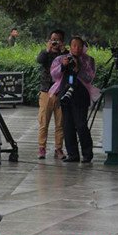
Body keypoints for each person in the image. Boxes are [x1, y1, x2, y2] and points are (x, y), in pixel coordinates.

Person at [50, 37, 98, 163]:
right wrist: (63, 65)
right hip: (65, 95)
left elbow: (89, 78)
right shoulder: (61, 58)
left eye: (79, 46)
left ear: (83, 47)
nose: (77, 48)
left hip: (81, 96)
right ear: (70, 46)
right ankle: (73, 154)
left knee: (81, 125)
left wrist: (78, 68)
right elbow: (54, 75)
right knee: (68, 126)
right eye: (74, 45)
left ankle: (87, 154)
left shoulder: (88, 60)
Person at [36, 30, 67, 160]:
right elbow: (39, 60)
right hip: (46, 92)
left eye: (57, 39)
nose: (55, 42)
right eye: (53, 39)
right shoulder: (45, 53)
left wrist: (64, 51)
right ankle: (41, 148)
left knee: (60, 124)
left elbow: (71, 66)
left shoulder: (65, 55)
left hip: (60, 93)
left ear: (62, 42)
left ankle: (58, 149)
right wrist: (47, 50)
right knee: (44, 122)